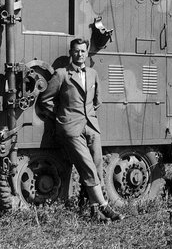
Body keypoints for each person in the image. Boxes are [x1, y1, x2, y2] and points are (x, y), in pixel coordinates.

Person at [37, 38, 124, 222]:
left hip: (91, 126)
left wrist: (89, 116)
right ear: (71, 52)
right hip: (71, 128)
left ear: (87, 53)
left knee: (97, 165)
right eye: (76, 51)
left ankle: (94, 212)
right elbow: (45, 100)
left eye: (83, 51)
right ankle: (105, 207)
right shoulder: (62, 74)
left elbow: (97, 101)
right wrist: (62, 116)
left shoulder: (93, 73)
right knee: (87, 167)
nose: (80, 54)